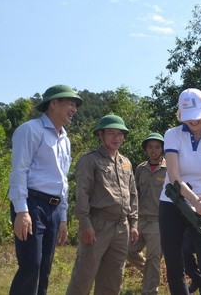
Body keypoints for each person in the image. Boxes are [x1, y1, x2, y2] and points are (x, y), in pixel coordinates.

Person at [8, 84, 82, 295]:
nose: (74, 109)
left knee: (45, 268)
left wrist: (63, 218)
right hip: (32, 204)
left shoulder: (65, 139)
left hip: (54, 208)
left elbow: (63, 180)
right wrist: (22, 211)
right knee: (31, 266)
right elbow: (19, 171)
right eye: (70, 103)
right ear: (53, 104)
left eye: (75, 105)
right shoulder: (31, 130)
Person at [158, 88, 201, 295]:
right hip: (173, 202)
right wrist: (193, 199)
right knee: (174, 261)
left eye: (196, 116)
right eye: (188, 118)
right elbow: (174, 176)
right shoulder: (172, 135)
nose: (193, 121)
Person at [66, 114, 139, 294]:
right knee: (84, 275)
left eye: (120, 134)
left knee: (113, 277)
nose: (116, 138)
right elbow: (82, 193)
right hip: (98, 224)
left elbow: (133, 195)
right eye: (111, 133)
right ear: (101, 135)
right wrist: (85, 224)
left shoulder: (126, 163)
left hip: (122, 226)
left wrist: (134, 224)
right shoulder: (89, 160)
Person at [127, 132, 167, 295]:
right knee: (129, 251)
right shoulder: (140, 168)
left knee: (154, 258)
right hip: (140, 219)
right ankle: (152, 274)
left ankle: (150, 291)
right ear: (146, 149)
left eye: (157, 147)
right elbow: (134, 193)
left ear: (162, 149)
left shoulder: (168, 169)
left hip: (159, 221)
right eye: (150, 147)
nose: (153, 151)